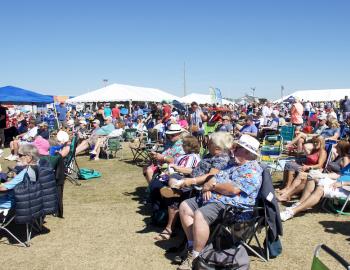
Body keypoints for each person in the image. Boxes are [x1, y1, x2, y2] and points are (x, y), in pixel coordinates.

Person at [176, 135, 262, 270]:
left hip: (232, 207)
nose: (232, 150)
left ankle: (195, 257)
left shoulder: (252, 170)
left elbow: (233, 189)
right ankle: (193, 246)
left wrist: (213, 187)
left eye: (236, 148)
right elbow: (213, 177)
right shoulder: (232, 164)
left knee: (200, 214)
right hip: (213, 198)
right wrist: (207, 187)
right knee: (185, 206)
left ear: (247, 152)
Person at [280, 146, 350, 221]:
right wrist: (323, 175)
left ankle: (291, 212)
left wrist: (343, 183)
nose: (348, 154)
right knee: (312, 176)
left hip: (346, 188)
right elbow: (339, 175)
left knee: (320, 189)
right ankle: (301, 203)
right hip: (338, 183)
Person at [277, 136, 327, 202]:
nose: (315, 143)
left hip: (314, 170)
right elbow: (309, 158)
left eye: (317, 142)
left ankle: (287, 191)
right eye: (314, 142)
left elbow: (320, 165)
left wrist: (309, 167)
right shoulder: (314, 150)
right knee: (290, 164)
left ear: (321, 143)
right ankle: (286, 189)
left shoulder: (322, 152)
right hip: (307, 167)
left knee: (296, 170)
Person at [0, 144, 40, 209]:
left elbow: (3, 188)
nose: (18, 157)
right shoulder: (38, 168)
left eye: (20, 155)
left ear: (29, 158)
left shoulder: (26, 172)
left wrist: (3, 184)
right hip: (30, 201)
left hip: (14, 202)